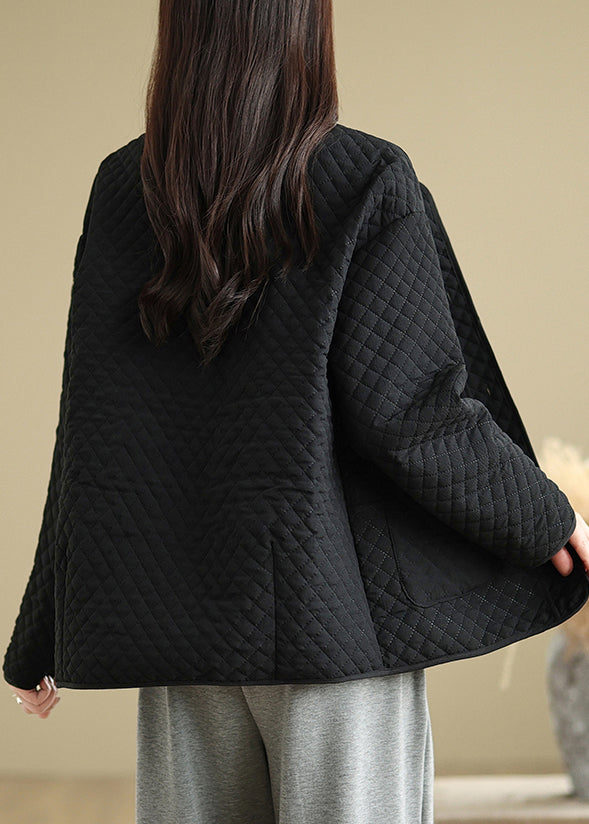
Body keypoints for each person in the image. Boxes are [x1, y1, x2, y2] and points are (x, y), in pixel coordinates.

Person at [5, 2, 589, 823]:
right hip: (328, 639)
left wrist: (37, 630)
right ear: (300, 29)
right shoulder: (364, 179)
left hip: (183, 644)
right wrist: (549, 520)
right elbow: (414, 414)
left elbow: (89, 429)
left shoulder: (122, 190)